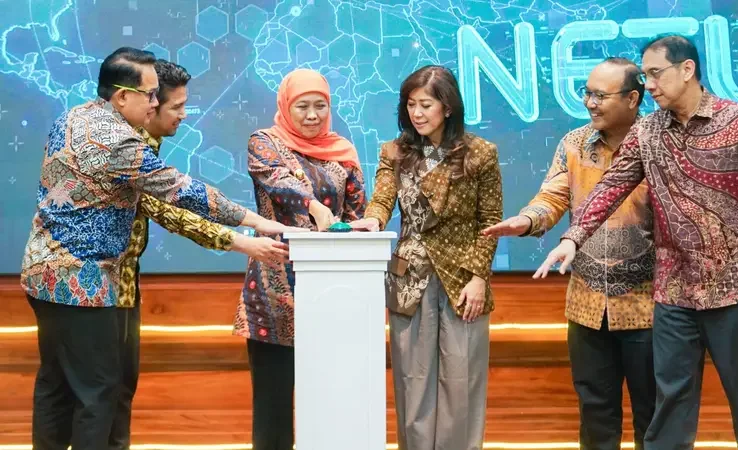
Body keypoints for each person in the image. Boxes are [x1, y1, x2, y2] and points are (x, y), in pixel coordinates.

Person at [20, 47, 295, 450]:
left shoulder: (75, 115)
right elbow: (180, 191)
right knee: (99, 392)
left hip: (42, 274)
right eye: (150, 95)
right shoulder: (119, 142)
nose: (154, 103)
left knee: (56, 386)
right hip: (82, 283)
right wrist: (254, 222)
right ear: (121, 96)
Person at [534, 35, 738, 450]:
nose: (648, 84)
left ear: (687, 70)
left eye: (655, 73)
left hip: (737, 288)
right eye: (645, 75)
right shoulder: (647, 131)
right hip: (673, 293)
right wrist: (573, 238)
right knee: (670, 407)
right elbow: (612, 186)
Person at [109, 59, 288, 450]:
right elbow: (172, 210)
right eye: (176, 106)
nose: (184, 115)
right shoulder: (127, 150)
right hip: (99, 293)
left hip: (123, 290)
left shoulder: (145, 145)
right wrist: (245, 237)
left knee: (117, 394)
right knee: (100, 399)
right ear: (150, 105)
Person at [483, 57, 656, 449]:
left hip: (650, 306)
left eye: (601, 95)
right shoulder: (574, 143)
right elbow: (553, 196)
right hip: (587, 305)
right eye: (587, 93)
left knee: (654, 414)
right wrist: (526, 221)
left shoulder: (658, 143)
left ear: (632, 98)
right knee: (595, 414)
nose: (590, 103)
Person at [349, 65, 503, 450]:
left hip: (463, 279)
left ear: (447, 107)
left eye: (426, 105)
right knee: (412, 380)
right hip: (409, 276)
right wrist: (373, 219)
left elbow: (490, 220)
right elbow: (383, 198)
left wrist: (479, 277)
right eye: (410, 104)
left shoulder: (480, 153)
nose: (417, 113)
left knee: (462, 380)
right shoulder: (395, 151)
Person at [233, 68, 367, 450]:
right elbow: (279, 182)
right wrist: (315, 207)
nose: (312, 115)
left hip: (333, 289)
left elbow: (356, 210)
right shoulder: (265, 142)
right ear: (286, 106)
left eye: (320, 106)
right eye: (302, 106)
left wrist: (362, 226)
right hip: (274, 292)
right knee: (273, 404)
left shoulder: (342, 151)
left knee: (329, 399)